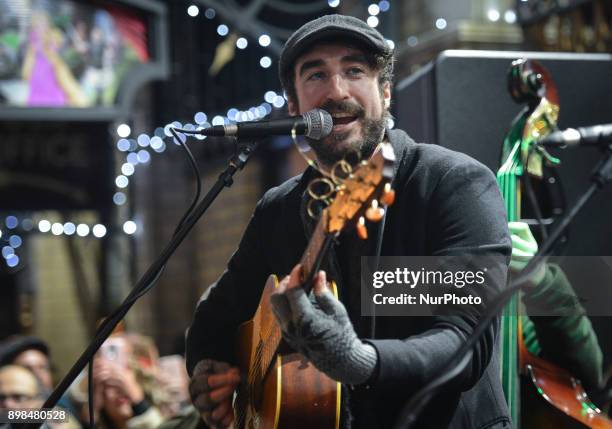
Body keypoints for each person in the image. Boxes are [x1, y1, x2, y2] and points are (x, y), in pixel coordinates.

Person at [186, 14, 512, 429]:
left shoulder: (451, 184)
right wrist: (209, 374)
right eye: (316, 75)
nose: (336, 91)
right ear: (294, 105)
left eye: (354, 71)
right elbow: (214, 319)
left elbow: (464, 340)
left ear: (386, 92)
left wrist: (359, 361)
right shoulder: (279, 210)